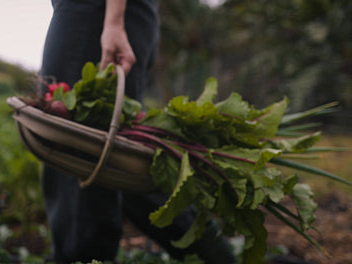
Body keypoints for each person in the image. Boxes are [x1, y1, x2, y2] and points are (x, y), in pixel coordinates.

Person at [39, 0, 237, 263]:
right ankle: (215, 255)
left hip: (99, 12)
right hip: (102, 14)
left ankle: (83, 258)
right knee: (116, 156)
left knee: (80, 147)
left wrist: (113, 22)